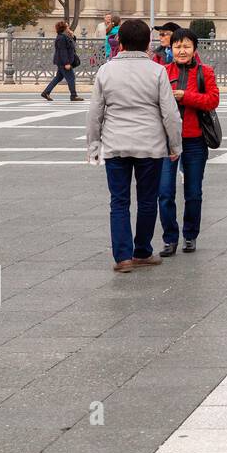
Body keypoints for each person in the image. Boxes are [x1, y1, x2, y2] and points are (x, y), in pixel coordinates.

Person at [85, 19, 182, 273]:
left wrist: (94, 147)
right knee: (148, 200)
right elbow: (170, 114)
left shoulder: (105, 71)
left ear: (121, 42)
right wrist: (175, 146)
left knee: (118, 201)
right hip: (150, 145)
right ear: (146, 43)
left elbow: (95, 113)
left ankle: (122, 257)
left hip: (116, 144)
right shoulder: (157, 71)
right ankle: (142, 251)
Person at [158, 28, 220, 256]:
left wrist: (186, 96)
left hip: (194, 141)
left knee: (193, 192)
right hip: (166, 142)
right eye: (177, 46)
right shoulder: (162, 72)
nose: (181, 51)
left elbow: (212, 100)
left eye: (186, 46)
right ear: (170, 48)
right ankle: (169, 238)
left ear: (194, 49)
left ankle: (190, 235)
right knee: (164, 192)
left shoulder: (205, 72)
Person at [41, 20, 82, 102]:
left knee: (58, 78)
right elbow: (62, 51)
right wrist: (66, 63)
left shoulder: (64, 36)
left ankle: (46, 92)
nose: (68, 28)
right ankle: (73, 95)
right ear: (64, 28)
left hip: (62, 61)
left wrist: (72, 35)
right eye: (67, 26)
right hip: (63, 62)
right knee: (71, 78)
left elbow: (72, 44)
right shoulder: (61, 38)